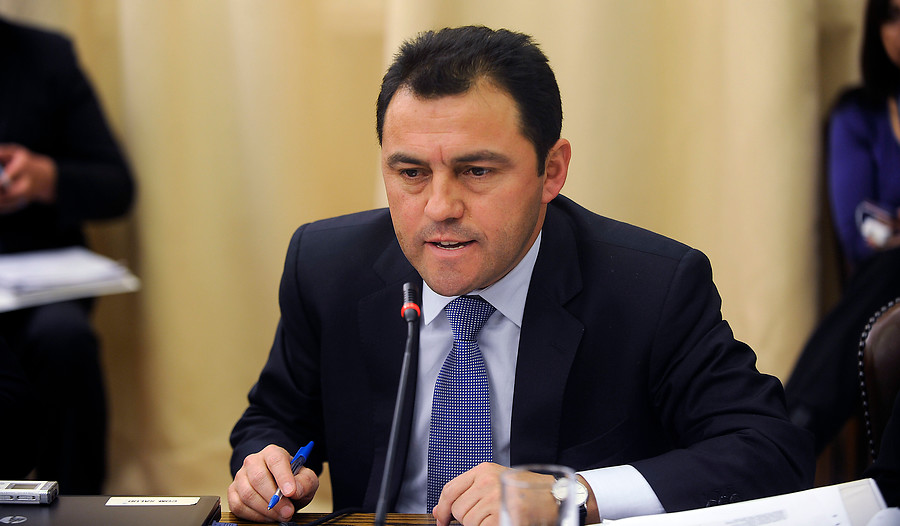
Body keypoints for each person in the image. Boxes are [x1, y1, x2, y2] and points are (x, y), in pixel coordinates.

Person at [229, 26, 814, 524]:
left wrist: (570, 495)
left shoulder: (650, 287)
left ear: (551, 171)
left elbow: (769, 450)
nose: (439, 207)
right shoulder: (327, 267)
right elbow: (275, 419)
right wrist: (266, 467)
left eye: (476, 171)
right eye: (410, 173)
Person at [0, 17, 135, 493]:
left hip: (35, 289)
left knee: (65, 340)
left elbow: (116, 186)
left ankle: (74, 505)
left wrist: (46, 178)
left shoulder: (43, 56)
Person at [785, 0, 900, 455]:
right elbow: (860, 236)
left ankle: (794, 426)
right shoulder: (860, 114)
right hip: (885, 282)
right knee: (891, 266)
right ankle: (791, 427)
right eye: (891, 15)